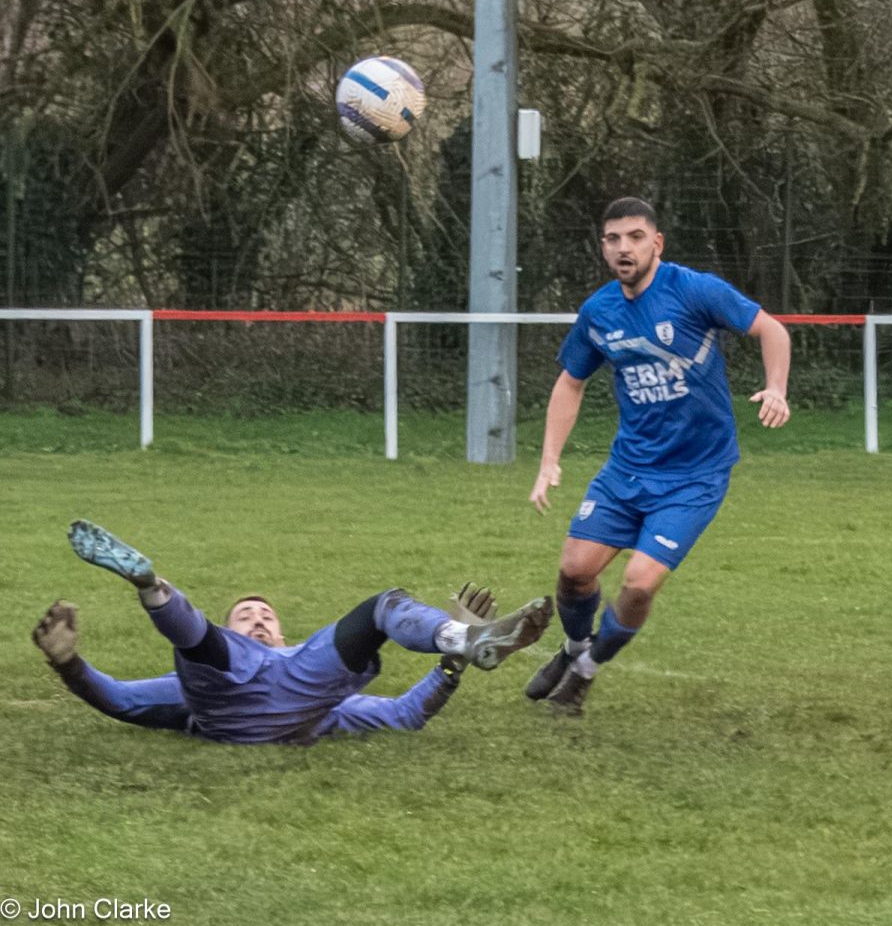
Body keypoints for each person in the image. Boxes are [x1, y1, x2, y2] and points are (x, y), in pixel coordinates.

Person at [525, 196, 792, 715]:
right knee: (575, 570)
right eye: (613, 239)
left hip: (695, 476)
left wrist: (776, 387)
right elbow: (570, 382)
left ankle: (585, 672)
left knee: (639, 583)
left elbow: (771, 329)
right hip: (628, 468)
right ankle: (574, 648)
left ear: (657, 243)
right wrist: (549, 460)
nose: (623, 248)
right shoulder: (599, 311)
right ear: (603, 247)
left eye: (635, 237)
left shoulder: (694, 291)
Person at [46, 520, 553, 745]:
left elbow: (404, 715)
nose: (258, 619)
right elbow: (118, 700)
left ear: (282, 630)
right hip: (222, 697)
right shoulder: (193, 677)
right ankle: (150, 586)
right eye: (246, 615)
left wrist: (452, 664)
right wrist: (68, 664)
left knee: (382, 606)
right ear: (233, 629)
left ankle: (464, 640)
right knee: (199, 643)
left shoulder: (307, 673)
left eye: (266, 615)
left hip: (295, 689)